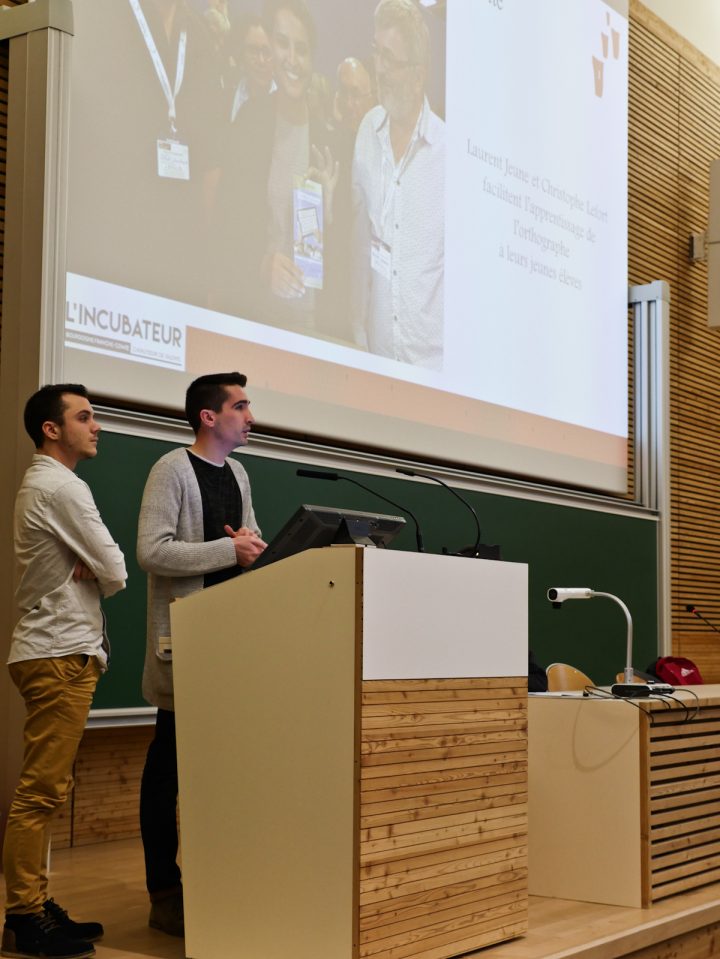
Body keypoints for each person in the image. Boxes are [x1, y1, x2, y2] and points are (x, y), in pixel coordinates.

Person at [136, 372, 266, 937]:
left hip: (231, 642)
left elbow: (247, 542)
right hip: (186, 643)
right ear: (208, 417)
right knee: (169, 772)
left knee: (224, 773)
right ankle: (165, 892)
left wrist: (256, 550)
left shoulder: (239, 472)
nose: (250, 416)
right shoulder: (171, 468)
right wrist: (228, 548)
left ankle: (220, 881)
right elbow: (151, 551)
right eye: (240, 406)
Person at [1, 385, 127, 959]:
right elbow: (117, 568)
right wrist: (99, 569)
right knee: (40, 791)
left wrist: (95, 568)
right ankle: (24, 916)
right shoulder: (61, 486)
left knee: (49, 789)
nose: (95, 426)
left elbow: (102, 567)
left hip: (57, 650)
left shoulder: (49, 485)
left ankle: (36, 902)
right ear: (52, 429)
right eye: (84, 417)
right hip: (57, 652)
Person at [212, 0, 339, 335]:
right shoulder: (250, 121)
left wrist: (330, 210)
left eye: (302, 49)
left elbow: (342, 258)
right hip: (254, 315)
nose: (292, 59)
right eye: (283, 44)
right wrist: (262, 265)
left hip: (308, 323)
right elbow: (227, 221)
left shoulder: (328, 140)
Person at [351, 0, 445, 369]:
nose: (380, 70)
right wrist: (356, 332)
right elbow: (359, 241)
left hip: (434, 374)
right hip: (376, 363)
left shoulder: (448, 153)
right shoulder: (366, 133)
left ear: (418, 74)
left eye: (390, 60)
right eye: (377, 53)